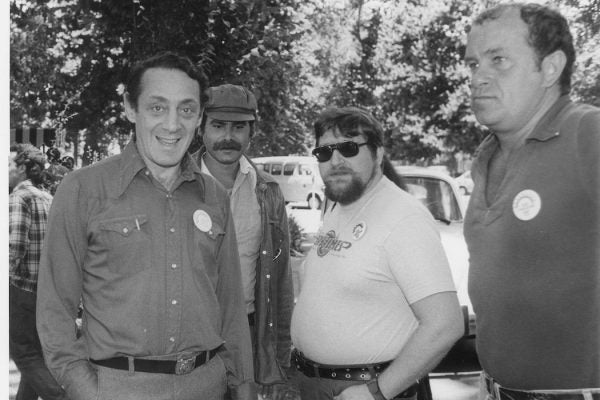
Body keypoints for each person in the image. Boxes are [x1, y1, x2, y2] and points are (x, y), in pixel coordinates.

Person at [36, 52, 255, 400]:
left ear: (199, 116)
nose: (172, 124)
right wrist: (85, 388)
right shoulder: (83, 190)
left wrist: (243, 384)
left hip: (207, 385)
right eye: (157, 107)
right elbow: (54, 306)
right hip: (118, 388)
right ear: (130, 108)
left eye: (186, 109)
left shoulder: (213, 195)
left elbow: (230, 304)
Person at [463, 3, 600, 398]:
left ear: (550, 68)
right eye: (473, 64)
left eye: (498, 60)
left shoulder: (587, 134)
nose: (478, 78)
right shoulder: (485, 158)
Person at [291, 107, 464, 400]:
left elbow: (445, 325)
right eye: (324, 152)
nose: (335, 161)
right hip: (315, 385)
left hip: (369, 390)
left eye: (348, 148)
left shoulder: (404, 218)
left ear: (378, 153)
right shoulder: (338, 205)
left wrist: (376, 392)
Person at [193, 84, 295, 399]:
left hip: (251, 335)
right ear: (201, 127)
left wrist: (278, 358)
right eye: (218, 125)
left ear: (252, 132)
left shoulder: (267, 192)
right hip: (191, 338)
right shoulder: (176, 186)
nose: (228, 136)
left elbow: (281, 282)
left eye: (239, 127)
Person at [9, 143, 67, 400]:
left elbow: (13, 247)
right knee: (34, 355)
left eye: (8, 164)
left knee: (24, 354)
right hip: (44, 291)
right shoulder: (47, 197)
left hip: (20, 290)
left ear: (22, 168)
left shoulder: (19, 197)